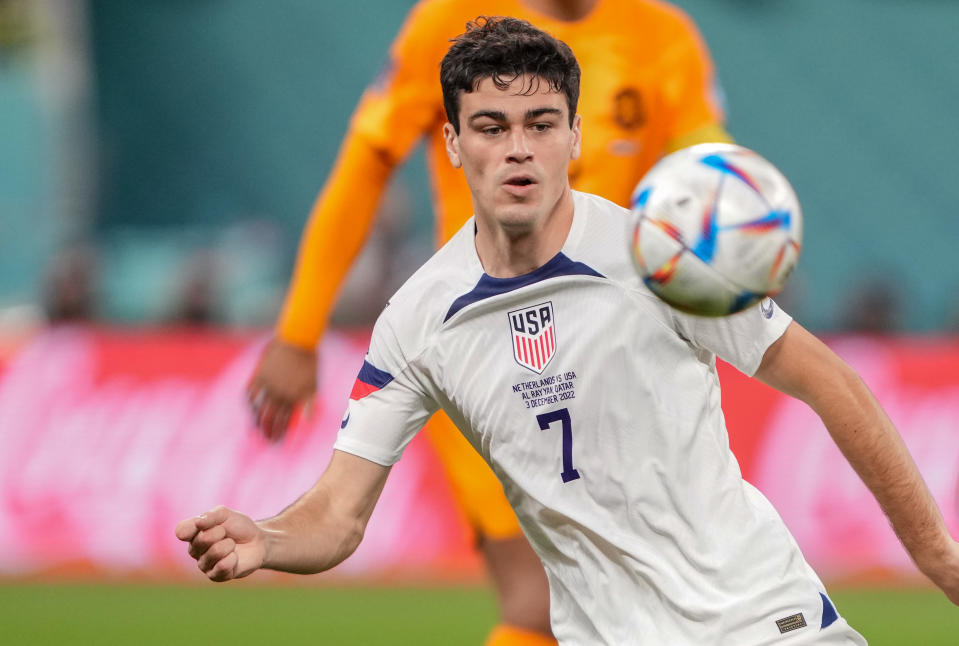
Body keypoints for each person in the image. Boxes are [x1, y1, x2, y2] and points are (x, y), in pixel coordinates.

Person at [181, 17, 959, 645]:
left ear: (575, 137)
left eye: (540, 124)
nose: (517, 148)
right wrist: (268, 539)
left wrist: (935, 555)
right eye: (490, 126)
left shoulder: (662, 261)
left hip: (760, 625)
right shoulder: (419, 320)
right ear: (451, 145)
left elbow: (833, 383)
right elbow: (337, 516)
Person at [247, 2, 730, 643]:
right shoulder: (452, 19)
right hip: (490, 344)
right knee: (540, 603)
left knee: (629, 609)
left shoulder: (662, 34)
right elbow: (367, 160)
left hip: (616, 359)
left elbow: (706, 170)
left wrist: (741, 222)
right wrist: (299, 330)